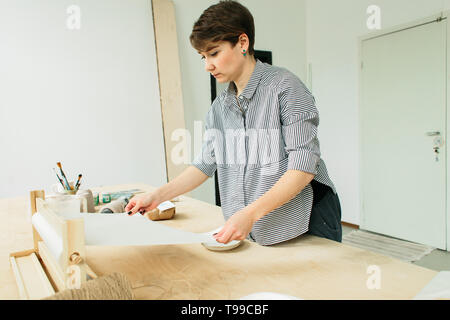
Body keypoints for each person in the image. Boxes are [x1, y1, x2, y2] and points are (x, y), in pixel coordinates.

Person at [125, 0, 342, 245]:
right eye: (203, 57)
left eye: (214, 53)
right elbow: (205, 164)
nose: (208, 65)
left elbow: (302, 168)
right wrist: (156, 196)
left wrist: (249, 214)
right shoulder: (219, 108)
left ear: (242, 43)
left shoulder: (285, 87)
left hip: (307, 220)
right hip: (258, 226)